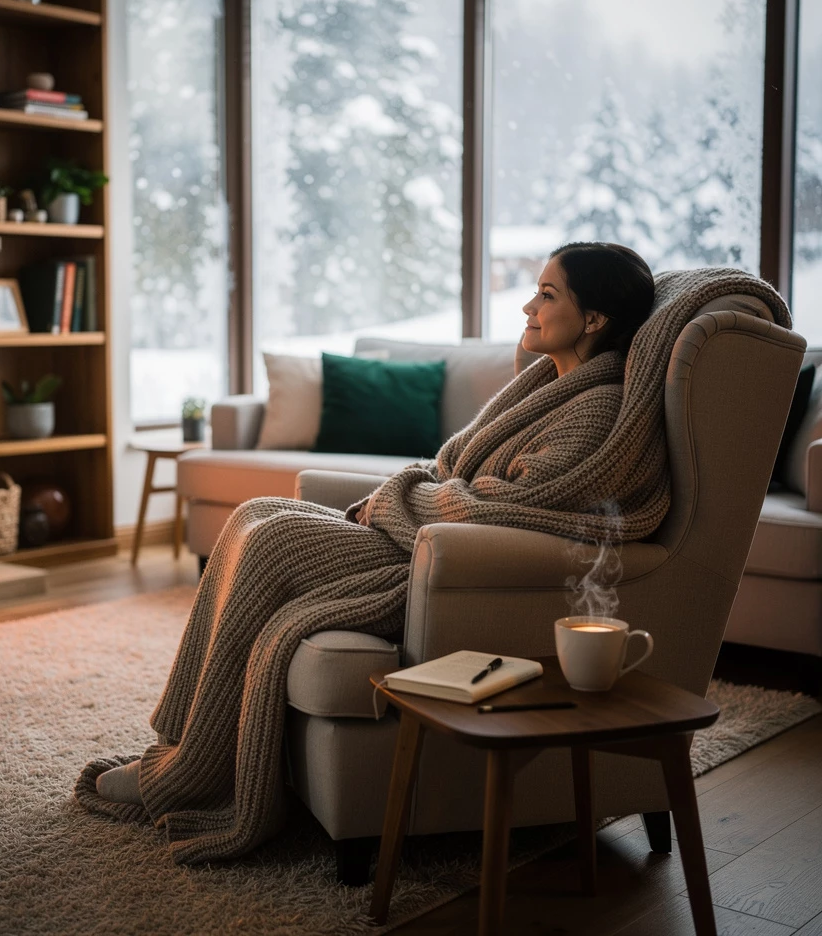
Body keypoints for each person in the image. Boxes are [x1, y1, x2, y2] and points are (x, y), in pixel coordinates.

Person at [76, 243, 781, 867]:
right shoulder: (542, 389)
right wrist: (412, 493)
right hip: (415, 533)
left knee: (274, 539)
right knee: (256, 513)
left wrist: (391, 499)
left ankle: (186, 773)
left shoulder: (595, 413)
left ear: (594, 318)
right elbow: (457, 479)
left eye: (548, 293)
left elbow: (493, 510)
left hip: (434, 558)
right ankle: (181, 746)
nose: (529, 306)